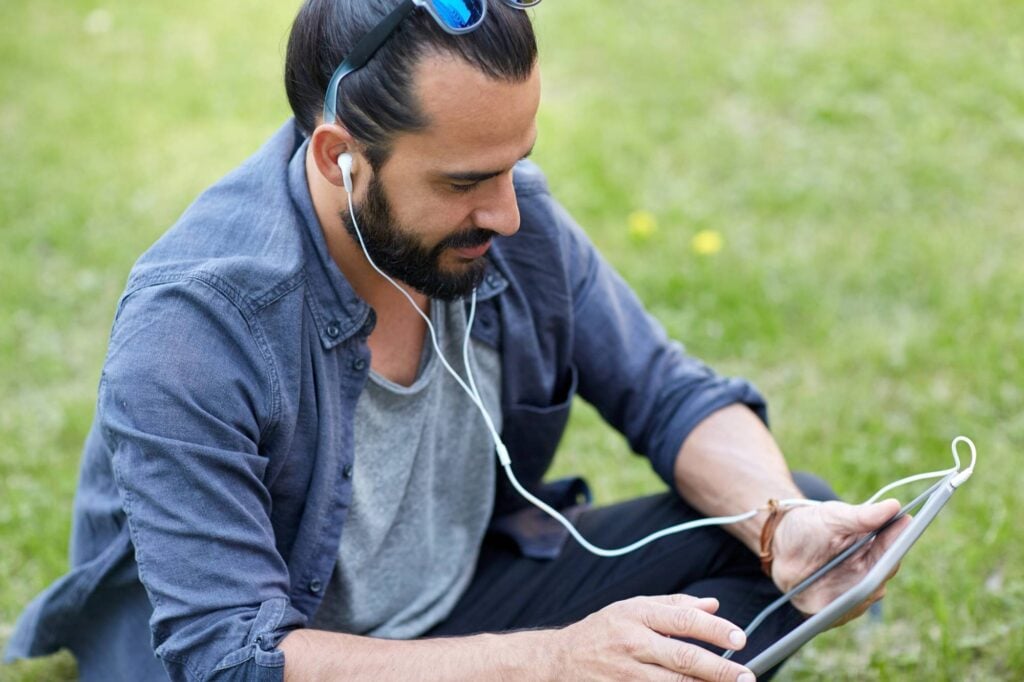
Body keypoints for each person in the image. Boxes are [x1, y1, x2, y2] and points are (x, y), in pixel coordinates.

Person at [4, 1, 910, 680]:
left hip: (460, 614)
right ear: (337, 158)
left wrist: (781, 522)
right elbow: (234, 656)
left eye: (516, 165)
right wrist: (551, 662)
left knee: (763, 545)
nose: (510, 213)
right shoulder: (193, 330)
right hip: (304, 660)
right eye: (469, 180)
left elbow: (667, 396)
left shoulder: (513, 223)